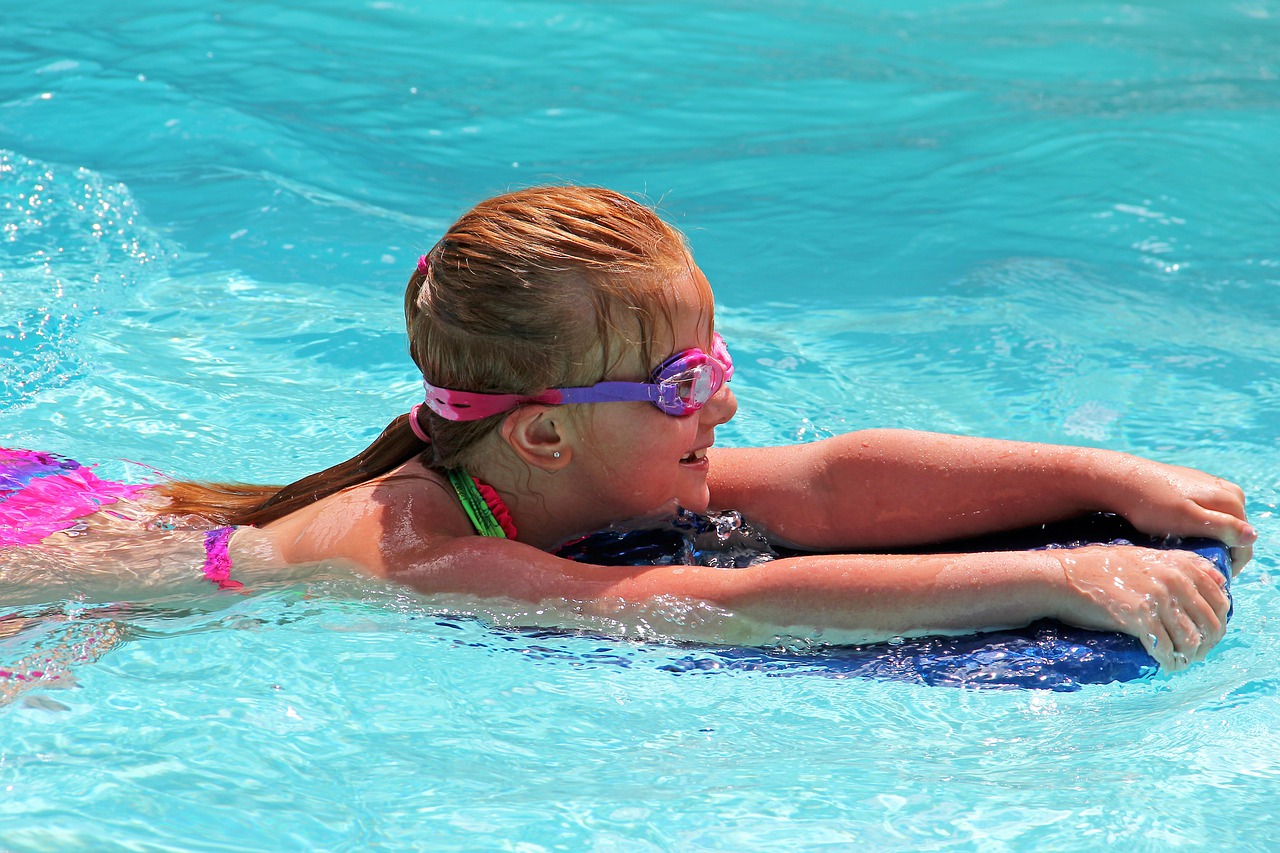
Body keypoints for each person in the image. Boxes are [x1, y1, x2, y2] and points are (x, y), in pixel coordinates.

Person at [0, 186, 1255, 671]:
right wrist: (1051, 575)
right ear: (543, 437)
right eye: (680, 384)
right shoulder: (409, 550)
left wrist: (1109, 478)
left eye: (714, 361)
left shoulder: (556, 459)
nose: (723, 403)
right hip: (46, 561)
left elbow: (823, 481)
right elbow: (715, 606)